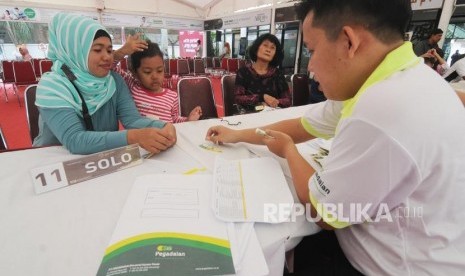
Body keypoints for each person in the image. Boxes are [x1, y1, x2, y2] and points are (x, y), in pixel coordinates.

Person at [205, 0, 465, 275]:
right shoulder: (402, 77)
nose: (312, 67)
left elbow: (323, 212)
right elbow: (302, 125)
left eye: (312, 51)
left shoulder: (380, 107)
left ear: (348, 42)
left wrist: (290, 152)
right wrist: (237, 134)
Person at [34, 13, 176, 155]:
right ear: (75, 50)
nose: (107, 57)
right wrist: (132, 137)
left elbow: (132, 120)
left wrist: (163, 126)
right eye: (97, 49)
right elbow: (75, 140)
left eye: (109, 50)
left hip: (103, 159)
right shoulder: (52, 87)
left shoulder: (114, 81)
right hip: (54, 162)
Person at [113, 36, 202, 123]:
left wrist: (187, 120)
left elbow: (174, 120)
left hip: (165, 137)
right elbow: (111, 67)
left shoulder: (172, 97)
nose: (155, 76)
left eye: (159, 71)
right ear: (135, 73)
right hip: (141, 136)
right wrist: (123, 51)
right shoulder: (133, 85)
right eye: (147, 72)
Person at [234, 33, 291, 113]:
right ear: (257, 47)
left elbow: (288, 100)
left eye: (272, 48)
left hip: (273, 114)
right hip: (249, 115)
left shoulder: (278, 73)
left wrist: (274, 102)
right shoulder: (243, 72)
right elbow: (238, 98)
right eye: (265, 45)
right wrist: (262, 97)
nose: (268, 50)